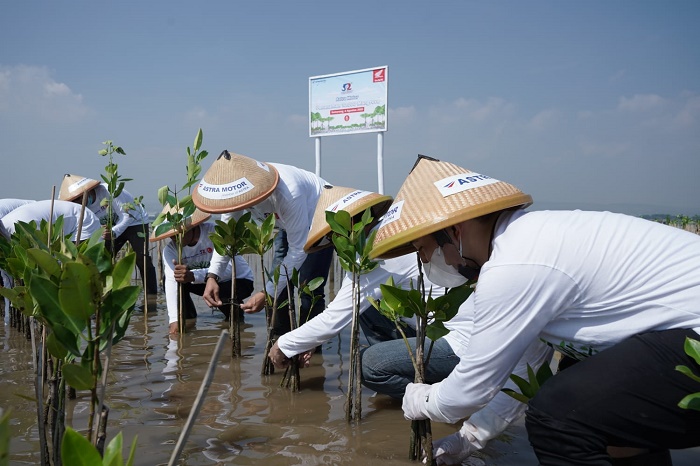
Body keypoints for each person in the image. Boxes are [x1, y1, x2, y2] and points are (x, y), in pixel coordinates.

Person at [368, 155, 700, 465]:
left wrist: (423, 400)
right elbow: (525, 367)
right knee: (591, 399)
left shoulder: (514, 264)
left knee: (557, 415)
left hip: (692, 337)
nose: (427, 262)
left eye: (425, 250)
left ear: (455, 231)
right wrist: (469, 439)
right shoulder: (527, 242)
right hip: (678, 335)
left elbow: (467, 392)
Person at [267, 185, 437, 368]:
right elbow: (344, 307)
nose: (335, 245)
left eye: (334, 236)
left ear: (353, 224)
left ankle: (417, 384)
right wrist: (309, 341)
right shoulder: (385, 232)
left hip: (443, 339)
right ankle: (402, 363)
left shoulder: (375, 249)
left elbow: (334, 318)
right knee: (367, 305)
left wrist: (282, 344)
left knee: (367, 364)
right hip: (430, 328)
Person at [193, 150, 334, 338]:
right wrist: (213, 276)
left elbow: (298, 249)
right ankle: (279, 343)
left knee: (309, 290)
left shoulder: (289, 192)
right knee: (278, 287)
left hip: (320, 217)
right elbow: (227, 237)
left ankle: (309, 349)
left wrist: (266, 292)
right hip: (287, 223)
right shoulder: (235, 192)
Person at [150, 205, 254, 335]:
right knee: (175, 279)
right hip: (203, 282)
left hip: (238, 280)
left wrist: (194, 275)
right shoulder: (170, 250)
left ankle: (236, 322)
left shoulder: (214, 233)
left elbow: (231, 269)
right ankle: (188, 318)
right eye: (170, 235)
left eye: (177, 234)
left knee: (225, 298)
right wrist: (174, 320)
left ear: (191, 227)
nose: (173, 239)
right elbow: (171, 281)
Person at [59, 174, 159, 303]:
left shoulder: (110, 191)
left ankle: (151, 296)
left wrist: (113, 232)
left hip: (135, 221)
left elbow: (126, 216)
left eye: (78, 199)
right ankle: (106, 296)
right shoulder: (78, 208)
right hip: (111, 227)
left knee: (142, 258)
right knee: (104, 260)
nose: (78, 203)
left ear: (87, 191)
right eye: (73, 201)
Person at [0, 199, 101, 243]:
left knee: (80, 262)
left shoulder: (20, 229)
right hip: (61, 222)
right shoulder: (6, 229)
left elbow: (43, 256)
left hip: (82, 219)